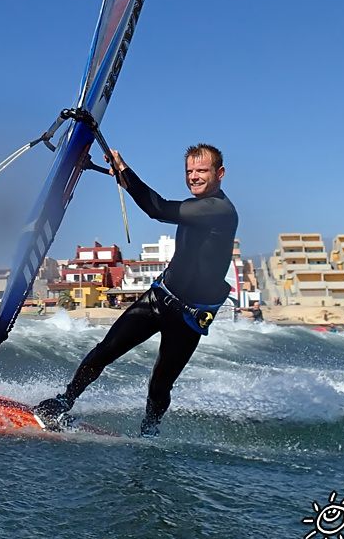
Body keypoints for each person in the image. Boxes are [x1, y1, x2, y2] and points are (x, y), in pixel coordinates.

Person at [34, 144, 238, 437]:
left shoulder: (219, 210)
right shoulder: (197, 207)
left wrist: (126, 172)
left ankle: (149, 432)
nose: (194, 176)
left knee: (159, 385)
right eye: (189, 171)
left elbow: (157, 208)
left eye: (201, 170)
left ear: (219, 173)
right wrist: (122, 172)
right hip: (158, 298)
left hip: (188, 317)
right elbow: (158, 204)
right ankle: (64, 401)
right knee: (106, 349)